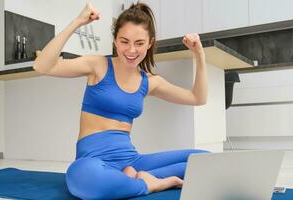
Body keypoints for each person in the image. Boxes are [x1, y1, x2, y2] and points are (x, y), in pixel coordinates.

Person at [33, 2, 209, 200]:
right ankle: (150, 183)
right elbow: (42, 66)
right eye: (124, 41)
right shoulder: (98, 66)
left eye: (139, 43)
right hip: (92, 161)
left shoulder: (149, 82)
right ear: (115, 40)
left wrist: (199, 54)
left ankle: (131, 180)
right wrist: (78, 22)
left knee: (205, 159)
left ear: (150, 43)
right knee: (87, 179)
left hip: (131, 162)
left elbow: (198, 97)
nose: (131, 50)